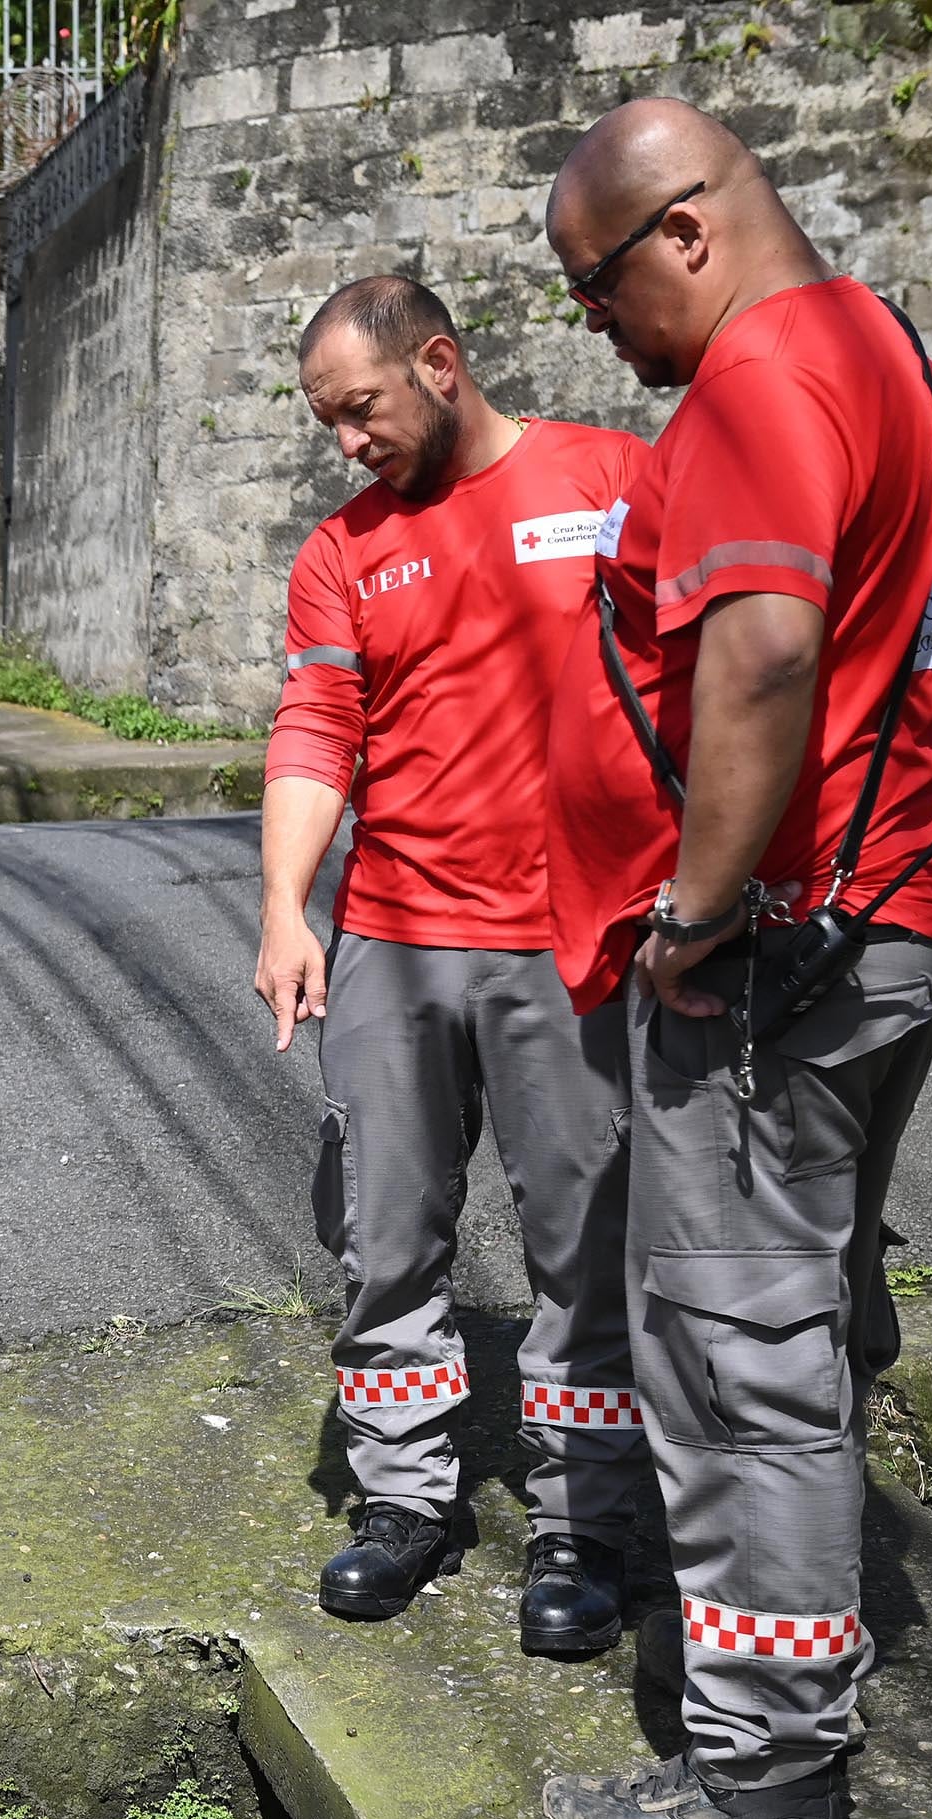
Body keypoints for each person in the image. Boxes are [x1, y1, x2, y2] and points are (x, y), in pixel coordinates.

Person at [535, 99, 932, 1819]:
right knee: (805, 1319)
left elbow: (773, 650)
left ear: (690, 231)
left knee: (736, 1363)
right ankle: (808, 1654)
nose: (593, 326)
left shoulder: (754, 387)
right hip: (895, 920)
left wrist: (698, 921)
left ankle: (765, 1787)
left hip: (789, 952)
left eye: (596, 282)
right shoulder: (885, 349)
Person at [260, 277, 652, 1653]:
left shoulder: (611, 483)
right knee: (383, 1235)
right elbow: (318, 729)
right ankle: (404, 1503)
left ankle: (582, 1525)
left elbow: (716, 678)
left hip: (576, 942)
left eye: (361, 410)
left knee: (585, 1248)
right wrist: (286, 907)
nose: (348, 443)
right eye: (328, 423)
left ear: (440, 362)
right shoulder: (342, 553)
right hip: (396, 938)